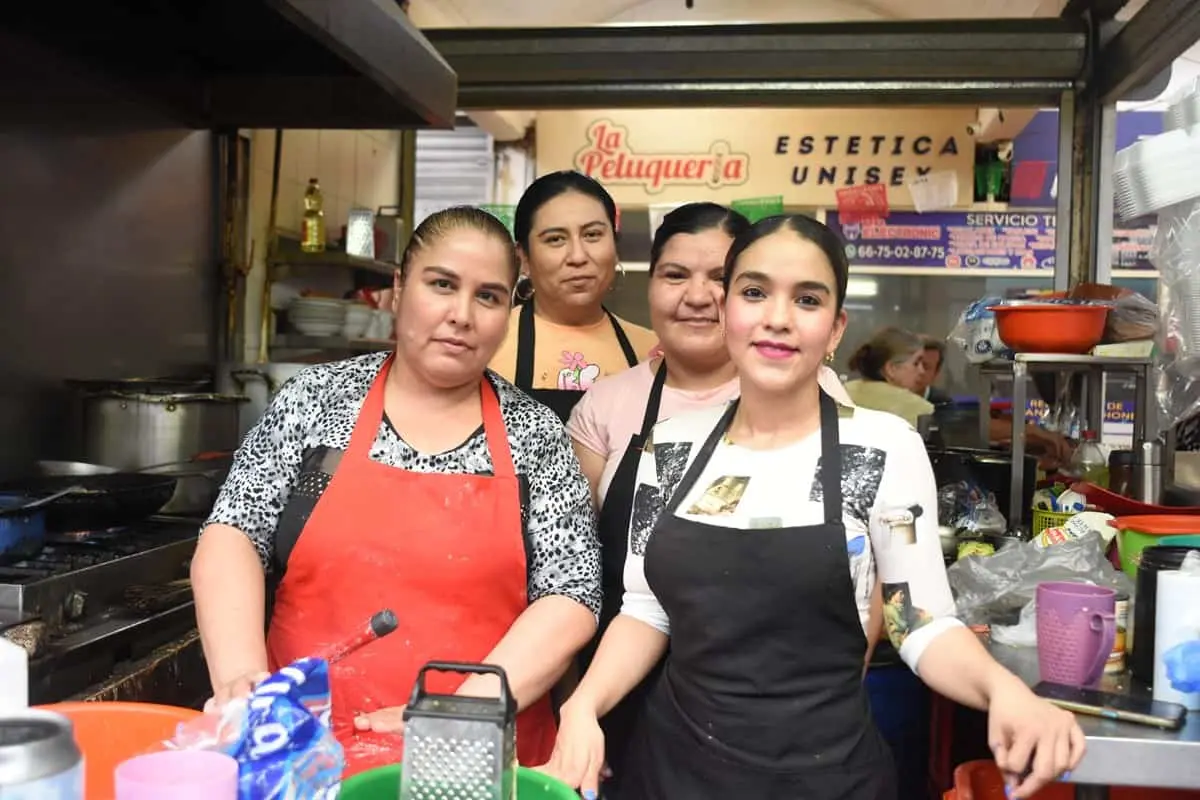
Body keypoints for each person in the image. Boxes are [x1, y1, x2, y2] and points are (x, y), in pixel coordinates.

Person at [543, 214, 1084, 800]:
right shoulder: (670, 446)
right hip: (672, 773)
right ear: (727, 311)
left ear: (834, 330)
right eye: (754, 292)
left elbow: (917, 622)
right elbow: (646, 610)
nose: (777, 317)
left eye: (806, 299)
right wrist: (583, 707)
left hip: (827, 777)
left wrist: (1004, 690)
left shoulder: (882, 450)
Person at [192, 207, 601, 778]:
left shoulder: (535, 435)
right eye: (441, 285)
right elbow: (235, 531)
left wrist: (457, 711)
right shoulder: (318, 399)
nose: (461, 315)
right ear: (399, 289)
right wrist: (240, 677)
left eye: (488, 297)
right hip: (305, 746)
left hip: (474, 755)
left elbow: (571, 594)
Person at [565, 202, 872, 794]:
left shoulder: (825, 404)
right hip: (631, 696)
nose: (697, 296)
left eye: (721, 279)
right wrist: (580, 703)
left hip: (792, 725)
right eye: (675, 275)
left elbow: (864, 585)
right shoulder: (611, 407)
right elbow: (596, 578)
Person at [489, 171, 658, 422]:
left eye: (592, 235)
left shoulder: (652, 350)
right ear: (523, 257)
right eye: (555, 239)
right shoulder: (486, 344)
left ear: (615, 246)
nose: (578, 256)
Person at [844, 326, 936, 427]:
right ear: (891, 369)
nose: (921, 371)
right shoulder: (919, 409)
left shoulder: (839, 394)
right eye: (916, 363)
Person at [917, 336, 953, 406]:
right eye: (915, 364)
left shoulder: (944, 404)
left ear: (935, 374)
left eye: (926, 367)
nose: (920, 371)